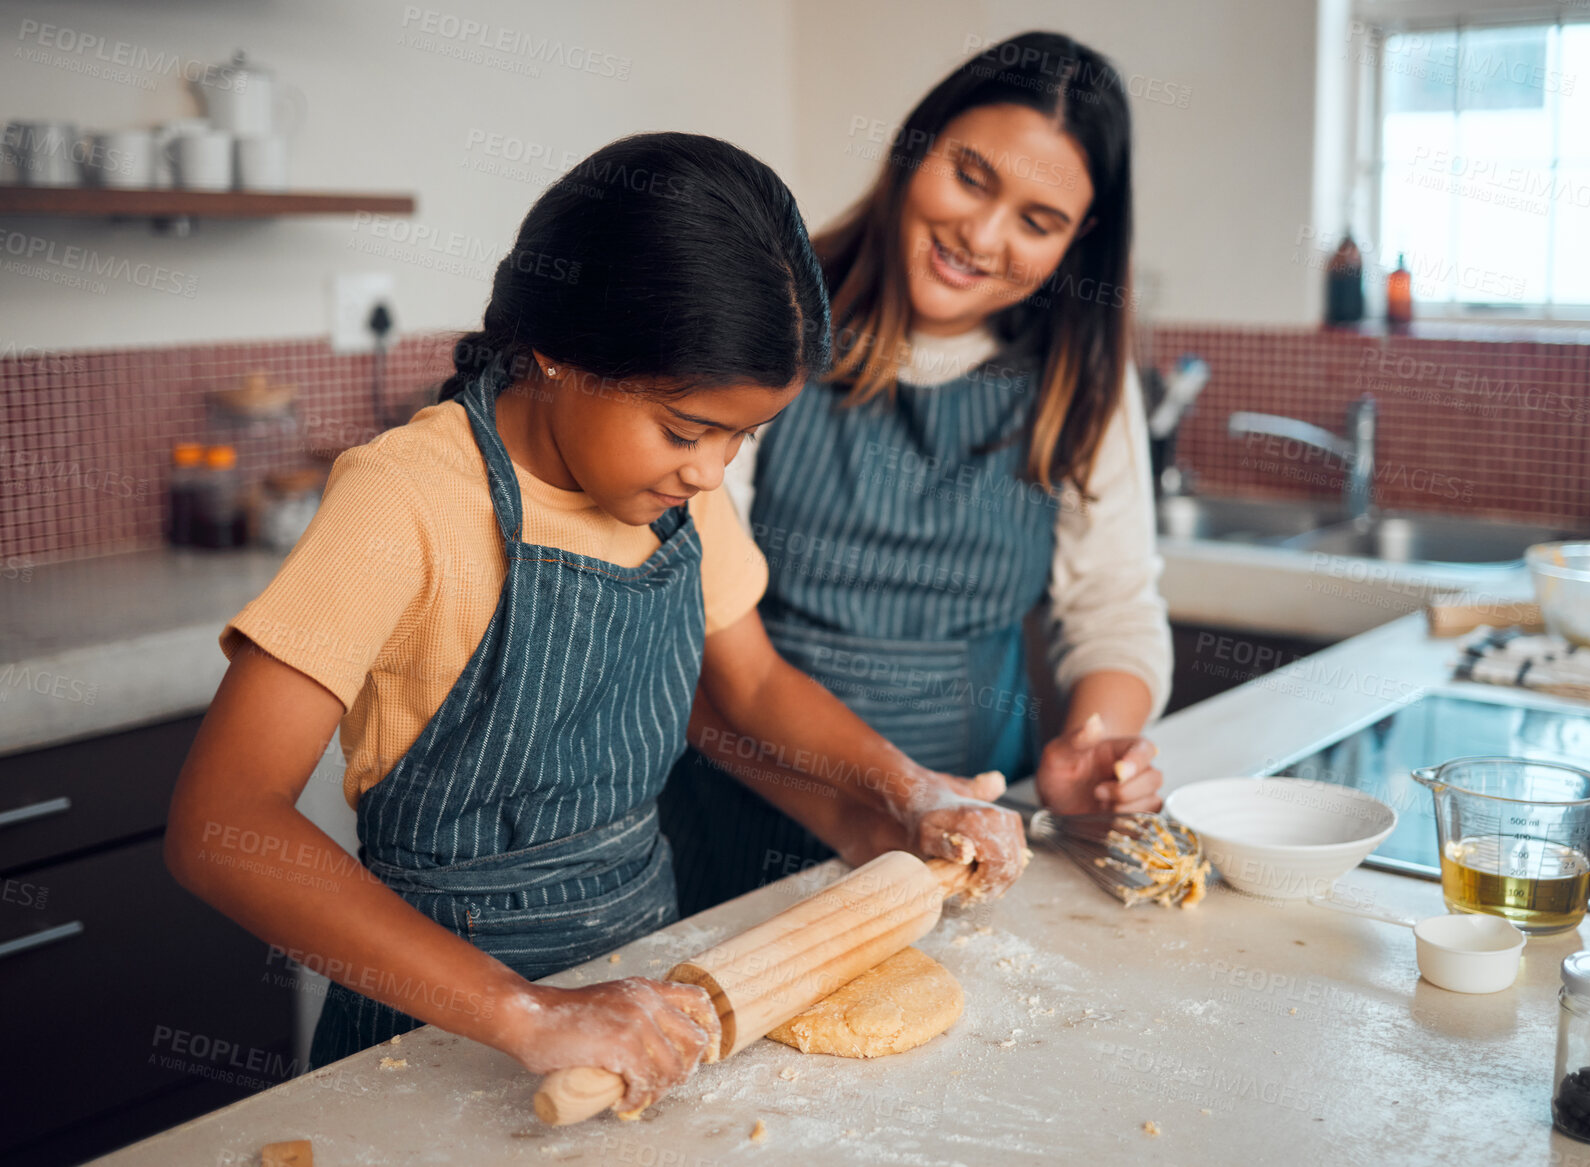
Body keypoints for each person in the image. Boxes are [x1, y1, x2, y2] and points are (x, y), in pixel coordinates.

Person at [164, 132, 1025, 1114]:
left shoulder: (676, 494)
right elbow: (221, 822)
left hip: (641, 999)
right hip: (432, 1035)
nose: (712, 471)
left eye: (744, 436)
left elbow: (751, 685)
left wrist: (908, 792)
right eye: (686, 429)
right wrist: (529, 1015)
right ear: (559, 353)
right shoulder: (404, 500)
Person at [661, 32, 1173, 916]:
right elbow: (697, 614)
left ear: (1078, 238)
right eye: (970, 177)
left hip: (972, 831)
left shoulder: (1080, 379)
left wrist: (1097, 743)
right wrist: (882, 800)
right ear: (916, 143)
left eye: (1037, 221)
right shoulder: (776, 308)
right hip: (747, 805)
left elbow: (1113, 605)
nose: (981, 235)